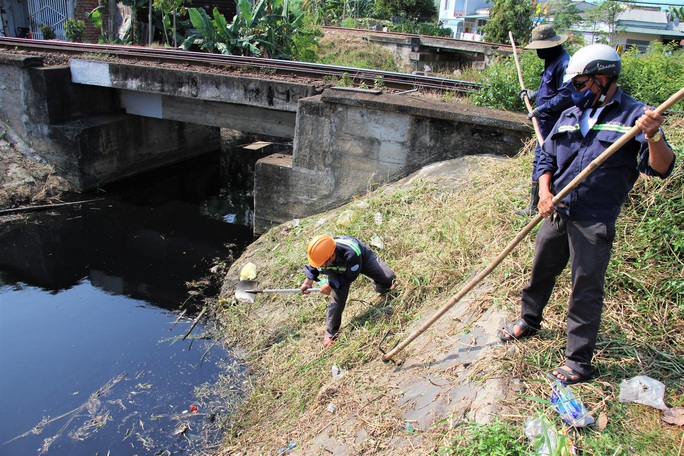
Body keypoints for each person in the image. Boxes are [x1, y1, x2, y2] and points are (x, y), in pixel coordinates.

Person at [499, 44, 676, 385]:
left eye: (581, 84)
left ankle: (578, 361)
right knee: (541, 271)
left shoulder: (635, 118)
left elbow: (662, 167)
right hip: (557, 211)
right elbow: (545, 158)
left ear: (604, 79)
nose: (576, 91)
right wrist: (546, 193)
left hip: (594, 218)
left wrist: (652, 134)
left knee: (585, 288)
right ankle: (529, 319)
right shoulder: (568, 115)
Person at [517, 24, 575, 216]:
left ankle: (540, 205)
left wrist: (542, 109)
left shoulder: (564, 63)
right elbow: (549, 91)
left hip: (554, 124)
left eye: (540, 48)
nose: (538, 52)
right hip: (545, 123)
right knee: (539, 160)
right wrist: (534, 94)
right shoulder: (551, 61)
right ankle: (535, 204)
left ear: (551, 45)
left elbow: (566, 95)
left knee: (544, 160)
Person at [300, 235, 396, 347]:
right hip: (334, 269)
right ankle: (330, 333)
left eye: (321, 264)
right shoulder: (321, 255)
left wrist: (330, 285)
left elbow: (349, 277)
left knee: (389, 278)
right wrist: (308, 280)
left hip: (361, 259)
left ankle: (381, 286)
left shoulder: (351, 253)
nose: (320, 266)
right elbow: (314, 265)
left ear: (332, 256)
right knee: (337, 301)